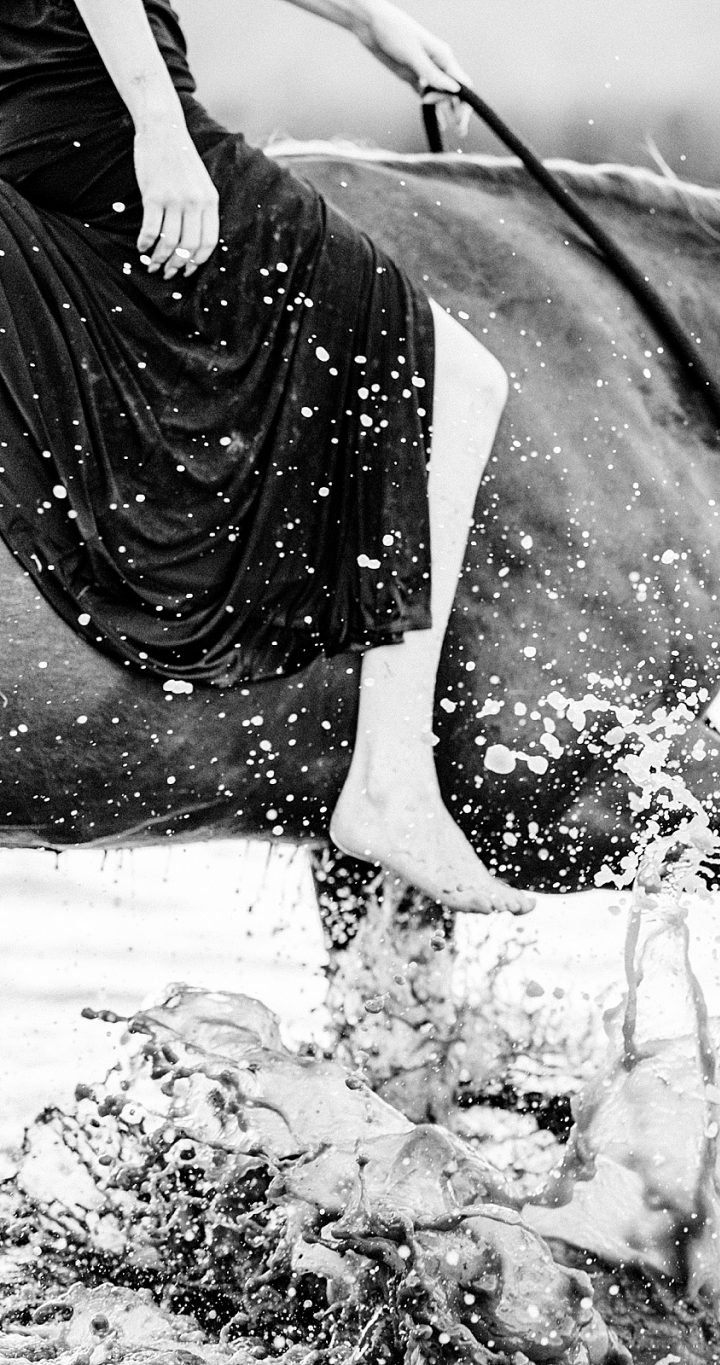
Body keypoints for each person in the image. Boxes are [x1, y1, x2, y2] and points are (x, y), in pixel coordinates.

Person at [0, 0, 531, 913]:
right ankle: (391, 783)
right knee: (460, 382)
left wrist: (368, 22)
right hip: (91, 103)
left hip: (36, 102)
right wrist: (160, 130)